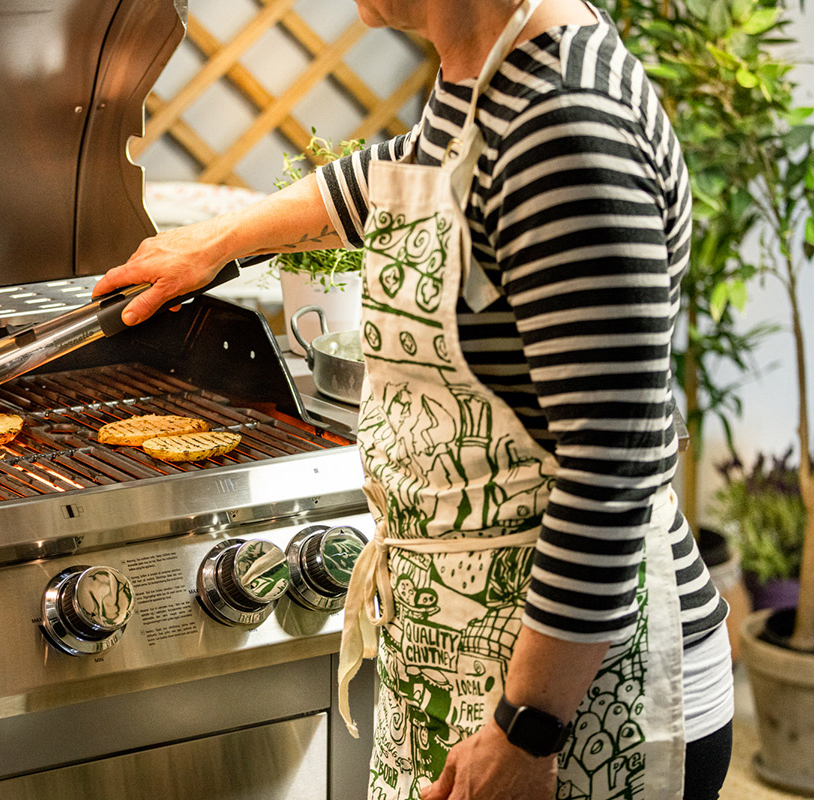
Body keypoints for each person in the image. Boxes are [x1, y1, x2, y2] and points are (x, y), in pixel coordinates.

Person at [93, 0, 735, 797]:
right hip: (468, 659)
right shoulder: (492, 71)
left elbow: (615, 466)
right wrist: (220, 241)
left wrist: (525, 729)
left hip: (575, 707)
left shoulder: (565, 129)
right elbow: (397, 178)